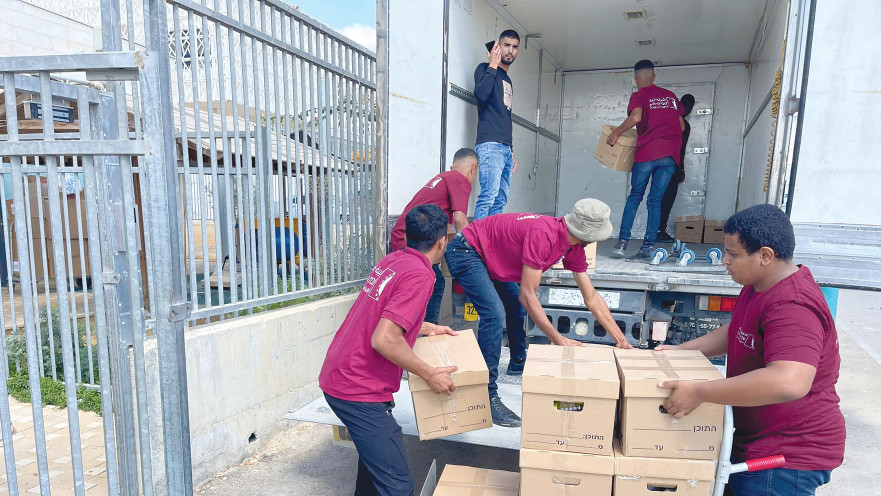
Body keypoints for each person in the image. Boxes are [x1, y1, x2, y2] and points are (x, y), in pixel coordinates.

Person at [655, 204, 845, 496]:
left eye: (733, 254)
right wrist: (680, 352)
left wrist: (700, 392)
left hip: (786, 455)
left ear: (765, 256)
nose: (725, 261)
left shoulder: (792, 305)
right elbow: (738, 332)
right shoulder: (758, 285)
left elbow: (789, 381)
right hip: (755, 441)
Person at [444, 198, 634, 427]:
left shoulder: (574, 246)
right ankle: (485, 396)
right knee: (494, 314)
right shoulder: (544, 235)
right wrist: (559, 339)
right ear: (587, 234)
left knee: (514, 304)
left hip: (488, 255)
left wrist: (621, 340)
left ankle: (517, 362)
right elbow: (528, 295)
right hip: (467, 249)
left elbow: (591, 297)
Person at [319, 204, 461, 496]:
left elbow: (384, 314)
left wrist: (424, 327)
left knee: (374, 477)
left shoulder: (395, 260)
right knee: (397, 486)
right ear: (441, 242)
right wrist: (430, 373)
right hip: (357, 388)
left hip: (341, 373)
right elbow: (384, 339)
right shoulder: (421, 275)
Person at [389, 148, 478, 324]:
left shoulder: (443, 178)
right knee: (435, 283)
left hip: (405, 237)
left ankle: (413, 330)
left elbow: (448, 227)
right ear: (473, 168)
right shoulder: (459, 179)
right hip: (412, 239)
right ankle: (427, 335)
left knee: (419, 288)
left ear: (452, 166)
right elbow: (460, 220)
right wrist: (474, 251)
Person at [607, 60, 686, 259]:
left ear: (636, 79)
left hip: (648, 153)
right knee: (655, 200)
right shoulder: (670, 97)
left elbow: (636, 117)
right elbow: (682, 126)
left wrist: (616, 132)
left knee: (635, 196)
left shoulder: (639, 95)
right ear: (654, 76)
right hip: (669, 155)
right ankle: (648, 248)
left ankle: (622, 244)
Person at [473, 29, 520, 220]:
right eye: (506, 45)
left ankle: (491, 238)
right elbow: (481, 95)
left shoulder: (507, 79)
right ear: (498, 47)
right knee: (488, 197)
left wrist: (510, 150)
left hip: (505, 148)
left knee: (500, 200)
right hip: (490, 144)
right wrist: (492, 64)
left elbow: (503, 116)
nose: (510, 50)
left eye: (515, 47)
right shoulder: (484, 69)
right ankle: (476, 239)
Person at [657, 94, 695, 243]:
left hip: (668, 165)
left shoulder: (681, 124)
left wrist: (681, 169)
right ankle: (658, 231)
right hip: (667, 165)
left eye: (690, 106)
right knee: (664, 199)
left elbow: (681, 150)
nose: (687, 109)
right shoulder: (678, 123)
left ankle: (658, 230)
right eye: (685, 105)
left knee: (663, 199)